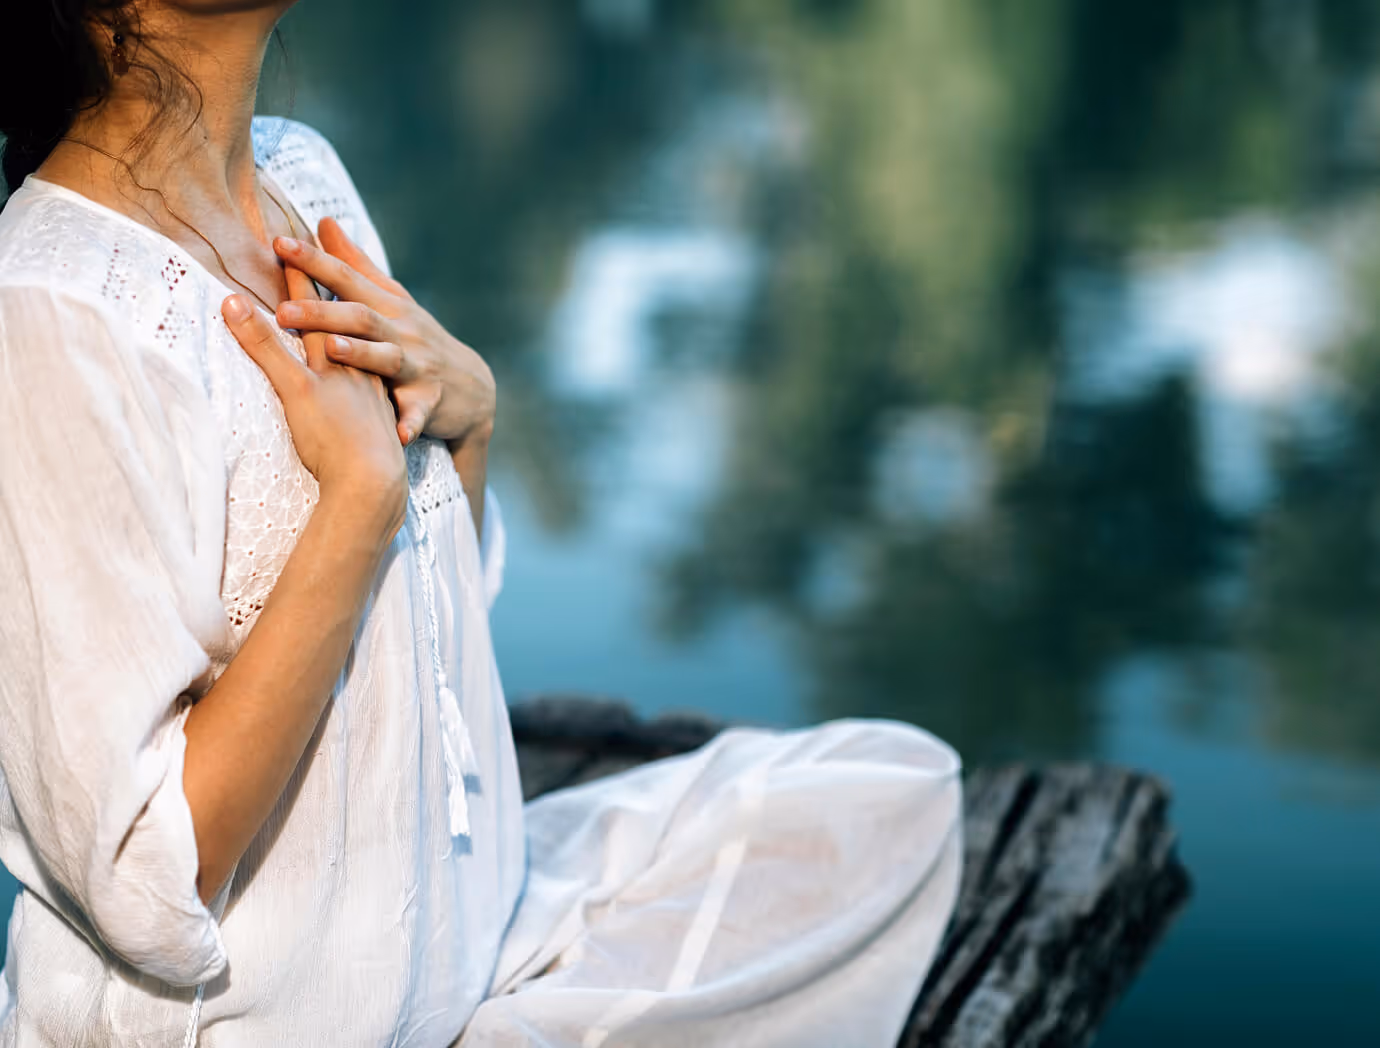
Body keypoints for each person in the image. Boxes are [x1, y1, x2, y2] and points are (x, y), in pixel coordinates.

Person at [0, 3, 964, 1045]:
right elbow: (148, 878)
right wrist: (357, 506)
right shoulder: (51, 311)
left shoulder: (302, 179)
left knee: (893, 796)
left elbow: (423, 640)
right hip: (259, 1021)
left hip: (476, 939)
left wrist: (468, 421)